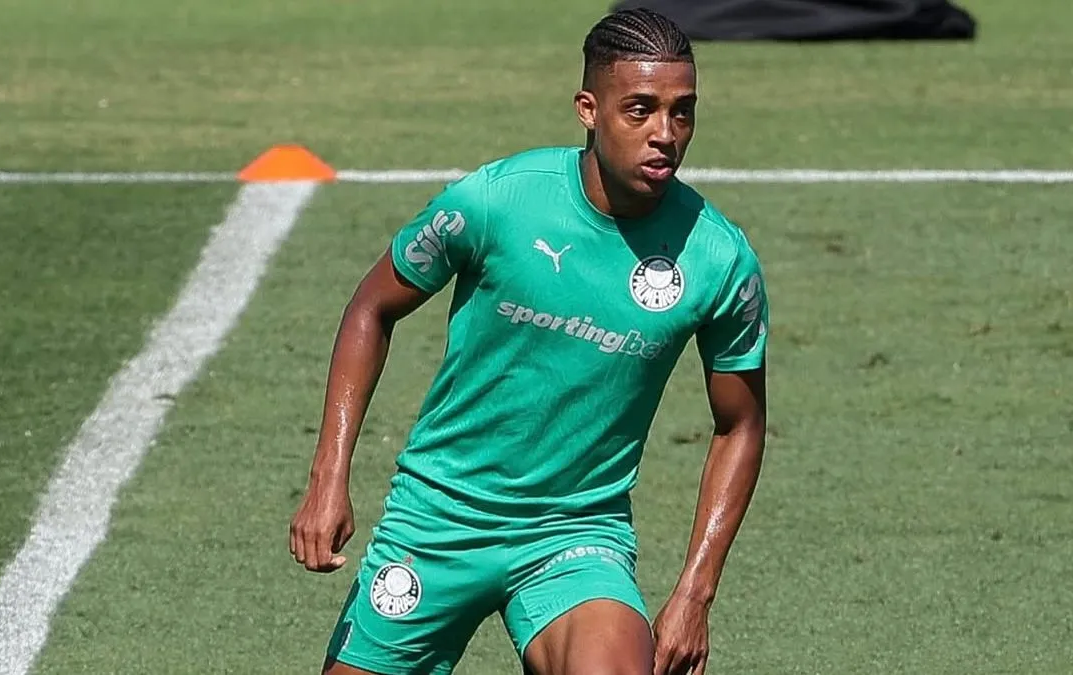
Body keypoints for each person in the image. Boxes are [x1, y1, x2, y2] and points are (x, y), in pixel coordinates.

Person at [289, 7, 769, 675]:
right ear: (588, 109)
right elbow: (372, 306)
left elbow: (740, 423)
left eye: (682, 112)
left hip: (574, 533)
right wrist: (329, 475)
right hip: (439, 516)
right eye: (640, 110)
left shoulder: (719, 260)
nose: (666, 134)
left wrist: (695, 589)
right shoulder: (496, 202)